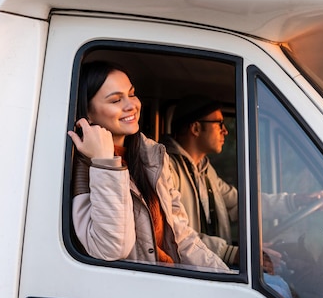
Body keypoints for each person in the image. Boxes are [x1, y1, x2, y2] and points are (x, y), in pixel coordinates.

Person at [68, 61, 228, 272]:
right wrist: (105, 163)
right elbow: (111, 248)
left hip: (170, 278)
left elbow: (180, 235)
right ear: (87, 112)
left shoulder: (152, 155)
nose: (131, 105)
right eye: (116, 99)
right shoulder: (81, 164)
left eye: (132, 94)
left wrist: (224, 276)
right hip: (140, 288)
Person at [161, 95, 323, 266]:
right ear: (196, 128)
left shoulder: (205, 170)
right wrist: (231, 253)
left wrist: (295, 200)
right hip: (189, 271)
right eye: (219, 124)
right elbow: (175, 232)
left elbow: (241, 204)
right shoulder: (166, 169)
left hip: (212, 264)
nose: (225, 131)